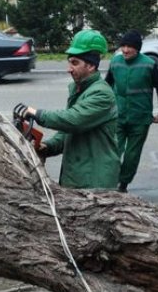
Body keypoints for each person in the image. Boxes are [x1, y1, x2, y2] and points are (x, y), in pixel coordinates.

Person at [13, 30, 120, 189]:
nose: (69, 69)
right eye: (69, 62)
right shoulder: (79, 90)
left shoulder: (101, 93)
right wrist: (47, 147)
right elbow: (67, 132)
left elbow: (73, 120)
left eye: (75, 63)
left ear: (91, 65)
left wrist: (37, 113)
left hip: (95, 180)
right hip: (78, 176)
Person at [106, 30, 158, 193]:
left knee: (132, 154)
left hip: (140, 119)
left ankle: (123, 184)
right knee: (113, 150)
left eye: (130, 47)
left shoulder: (149, 64)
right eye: (123, 46)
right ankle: (110, 180)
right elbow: (106, 87)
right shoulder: (115, 62)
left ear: (137, 48)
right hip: (118, 116)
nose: (125, 50)